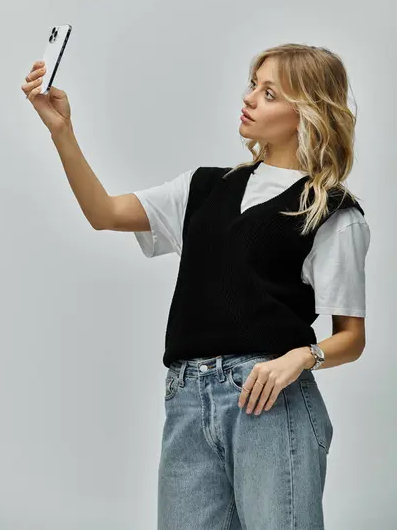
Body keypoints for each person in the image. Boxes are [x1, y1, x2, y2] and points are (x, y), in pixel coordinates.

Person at [21, 42, 370, 530]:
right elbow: (104, 212)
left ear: (304, 112)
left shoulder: (330, 211)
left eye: (269, 93)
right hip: (186, 399)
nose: (250, 98)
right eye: (254, 84)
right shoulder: (205, 187)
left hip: (269, 400)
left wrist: (299, 357)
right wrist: (62, 130)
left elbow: (351, 337)